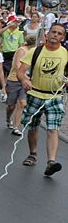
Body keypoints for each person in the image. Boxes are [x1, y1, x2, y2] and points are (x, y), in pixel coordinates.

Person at [19, 23, 68, 175]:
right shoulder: (36, 51)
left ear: (63, 37)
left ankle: (51, 162)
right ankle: (33, 154)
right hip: (35, 93)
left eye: (59, 33)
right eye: (53, 32)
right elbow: (21, 71)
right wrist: (24, 80)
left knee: (53, 128)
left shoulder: (65, 53)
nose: (56, 35)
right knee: (33, 126)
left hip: (55, 96)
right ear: (47, 33)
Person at [5, 35, 36, 135]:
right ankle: (8, 118)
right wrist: (25, 76)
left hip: (25, 81)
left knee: (22, 103)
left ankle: (16, 127)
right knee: (11, 105)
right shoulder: (22, 50)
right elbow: (17, 65)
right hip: (14, 79)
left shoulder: (35, 51)